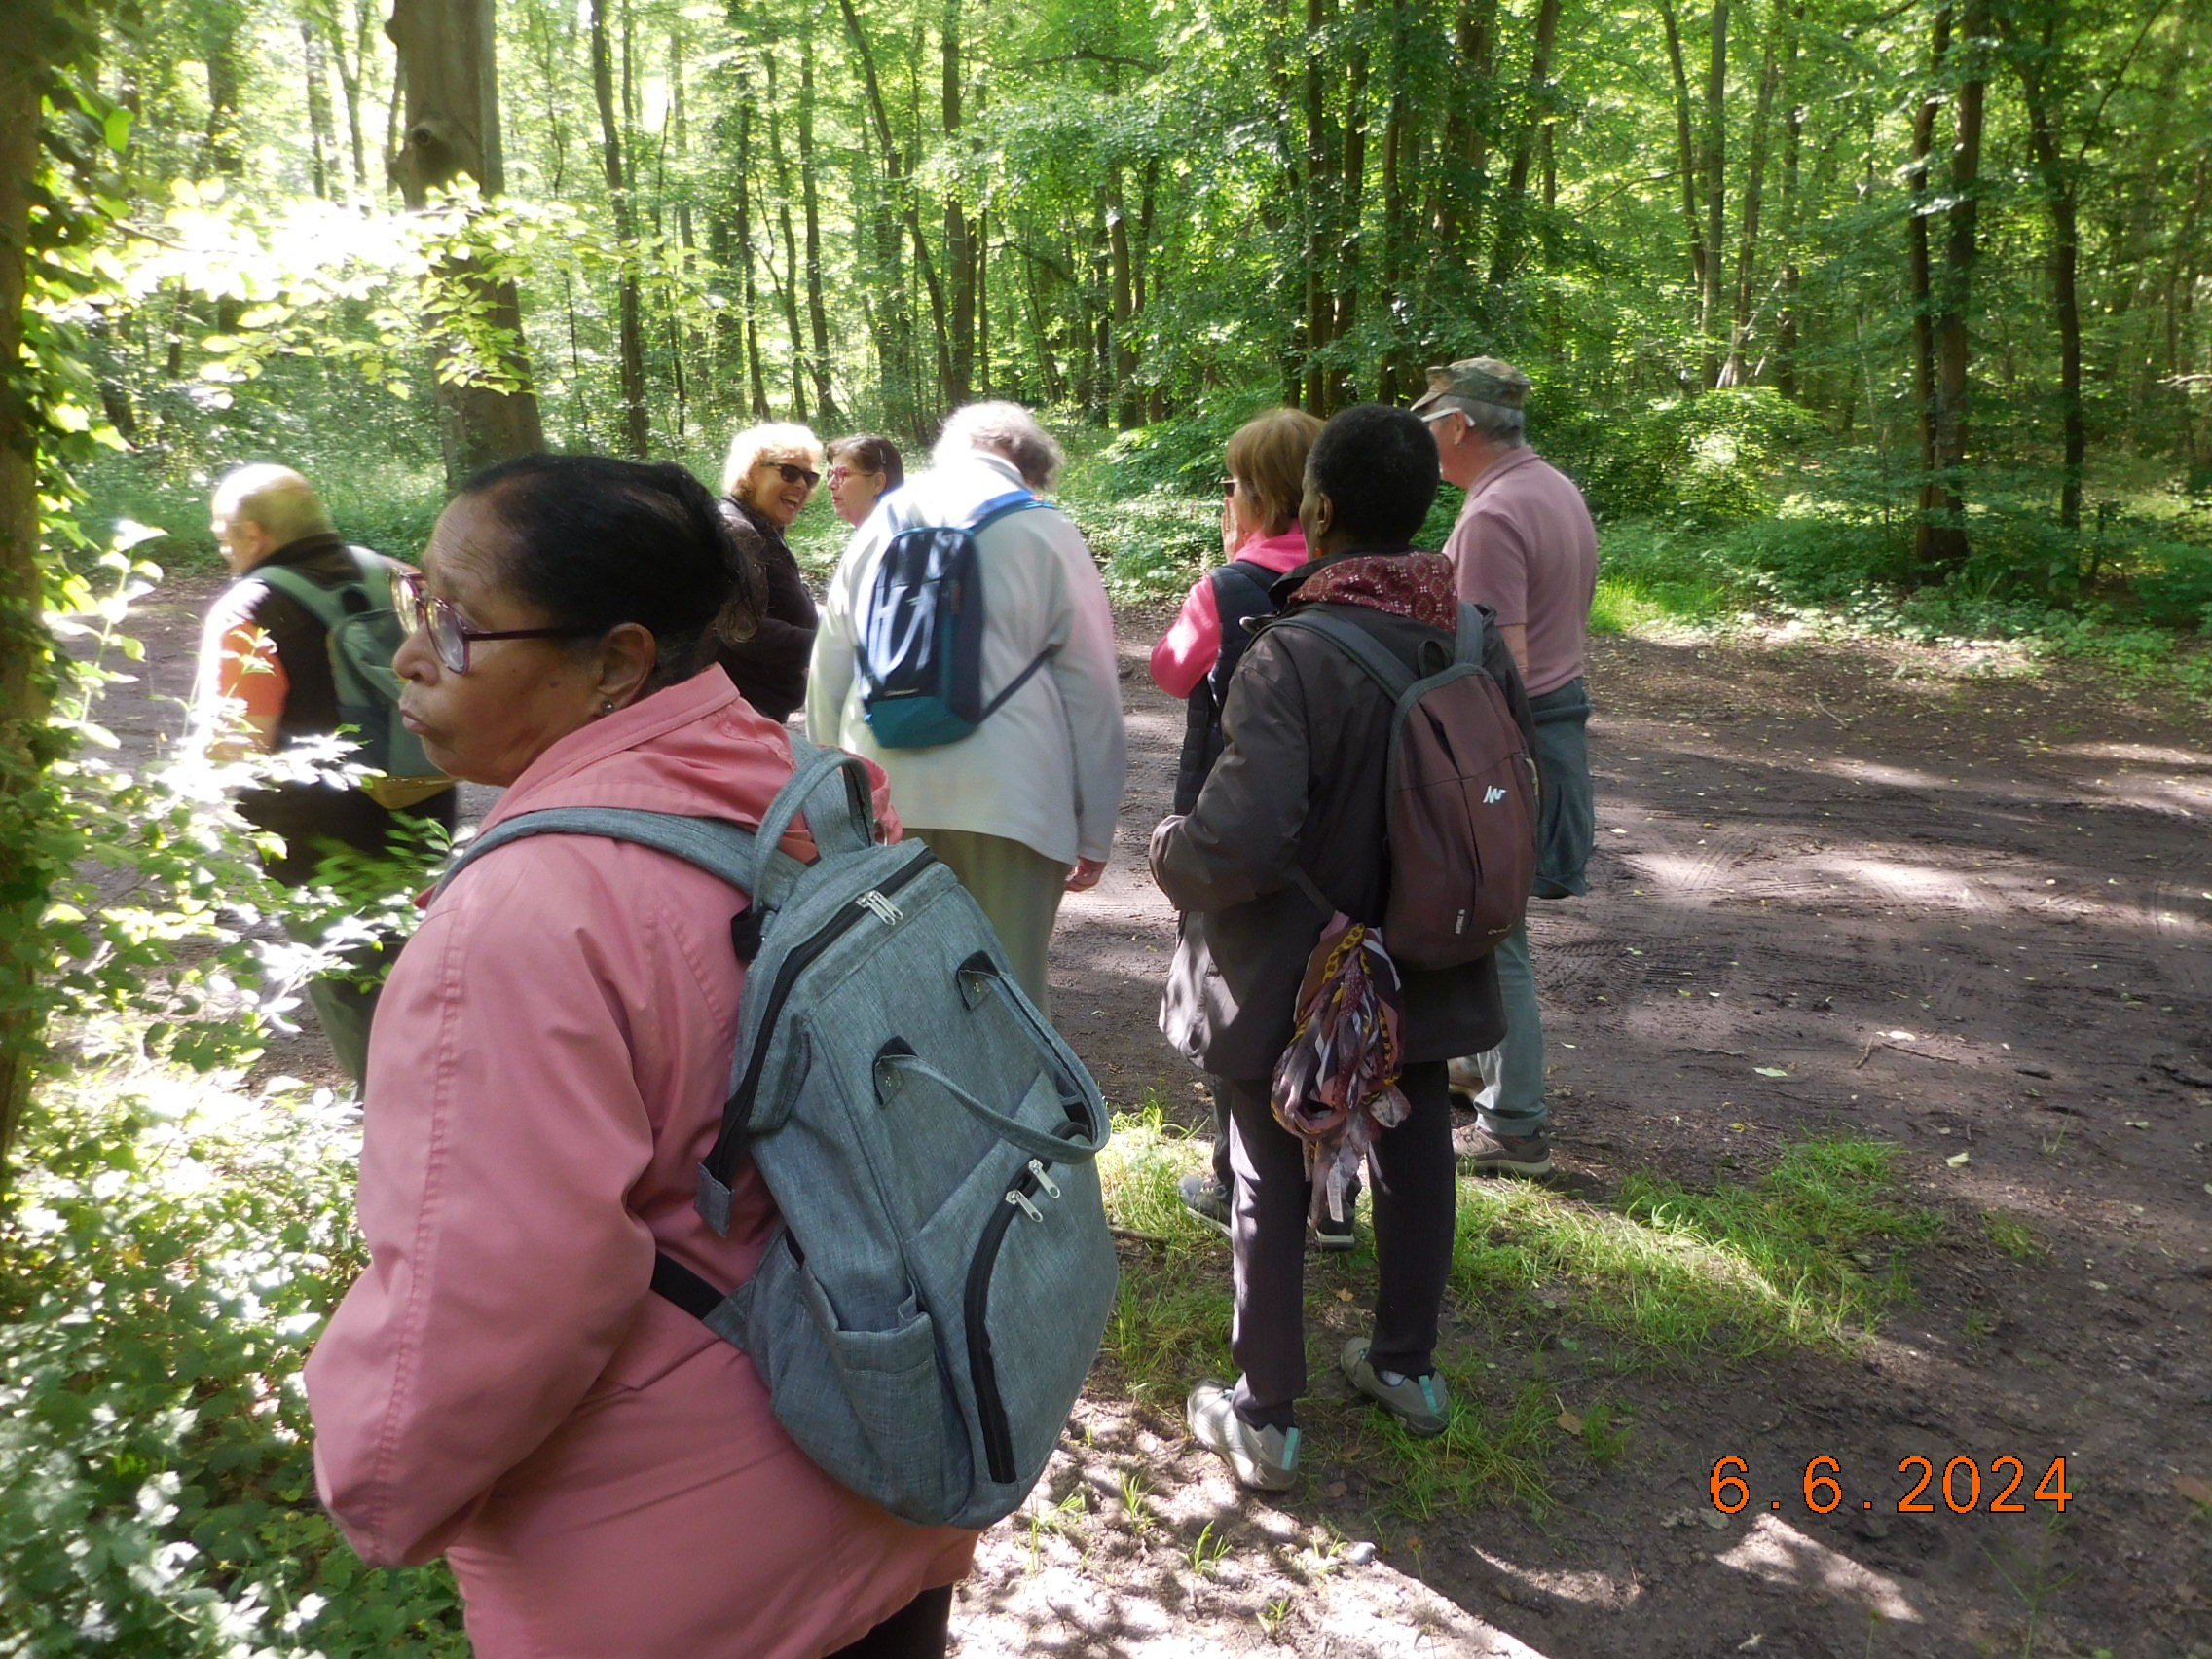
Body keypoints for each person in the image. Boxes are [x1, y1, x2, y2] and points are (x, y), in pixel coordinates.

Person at [303, 454, 977, 1659]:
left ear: (615, 660)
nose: (409, 655)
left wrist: (372, 1485)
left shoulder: (517, 926)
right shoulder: (811, 793)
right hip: (887, 1468)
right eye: (416, 602)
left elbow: (497, 1303)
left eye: (454, 625)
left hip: (672, 1580)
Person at [1152, 405, 1534, 1490]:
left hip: (1293, 965)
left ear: (1316, 510)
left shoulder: (1291, 653)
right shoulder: (1467, 632)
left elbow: (1235, 841)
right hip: (1430, 946)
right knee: (1416, 1148)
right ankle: (1405, 1368)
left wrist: (1166, 849)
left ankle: (1265, 1415)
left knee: (1265, 1163)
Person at [806, 402, 1125, 1015]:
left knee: (898, 999)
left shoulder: (882, 522)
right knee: (1006, 999)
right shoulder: (1044, 529)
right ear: (1028, 471)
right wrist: (1095, 826)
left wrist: (843, 799)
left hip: (884, 795)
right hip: (1013, 800)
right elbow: (1092, 691)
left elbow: (829, 672)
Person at [189, 463, 459, 1092]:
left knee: (355, 991)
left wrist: (199, 827)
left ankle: (393, 1127)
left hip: (317, 850)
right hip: (425, 811)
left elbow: (234, 745)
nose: (223, 550)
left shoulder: (250, 608)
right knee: (431, 974)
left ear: (252, 533)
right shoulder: (403, 577)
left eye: (223, 535)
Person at [1147, 409, 1346, 1248]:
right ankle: (1336, 1200)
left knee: (1236, 1005)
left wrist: (1222, 571)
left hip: (1233, 829)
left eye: (1229, 483)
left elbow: (1169, 671)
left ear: (1256, 494)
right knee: (1336, 1001)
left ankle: (1239, 1176)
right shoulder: (1352, 580)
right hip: (1337, 831)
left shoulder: (1229, 588)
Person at [1414, 357, 1599, 1181]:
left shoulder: (1491, 517)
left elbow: (1499, 665)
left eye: (1431, 425)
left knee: (1497, 935)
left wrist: (1478, 779)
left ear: (1458, 425)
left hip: (1515, 738)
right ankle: (1480, 1070)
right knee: (1497, 926)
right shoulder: (1551, 488)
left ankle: (1516, 1122)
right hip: (1555, 726)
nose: (1428, 441)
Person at [716, 422, 824, 723]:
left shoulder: (763, 529)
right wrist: (831, 646)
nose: (802, 485)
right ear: (751, 471)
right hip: (740, 714)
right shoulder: (735, 530)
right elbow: (744, 632)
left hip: (758, 710)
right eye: (789, 472)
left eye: (810, 477)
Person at [827, 433, 905, 527]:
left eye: (843, 474)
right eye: (831, 474)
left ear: (878, 483)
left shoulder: (896, 537)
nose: (830, 484)